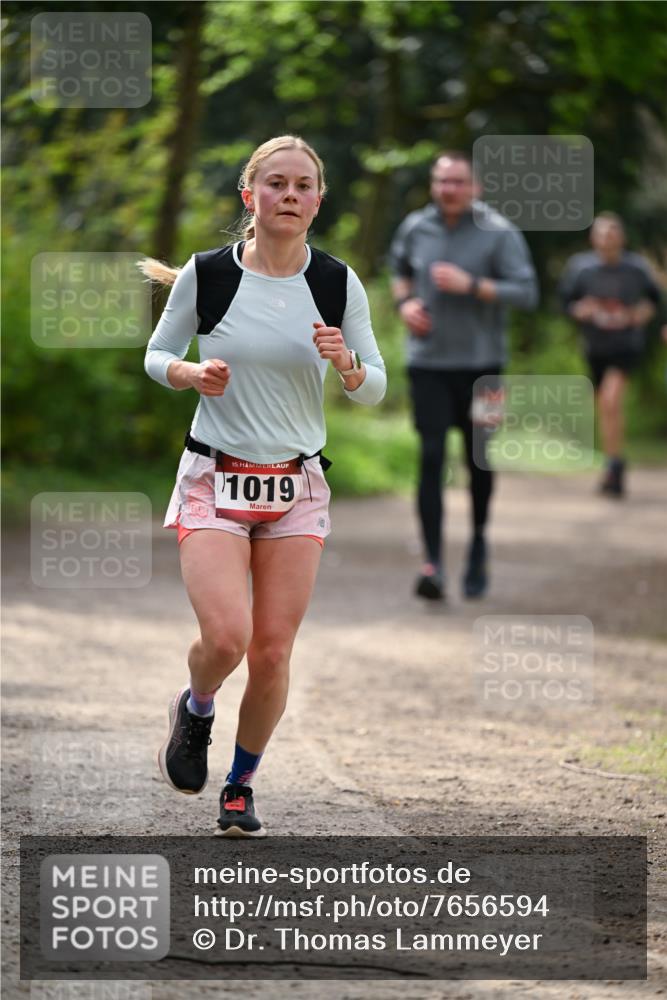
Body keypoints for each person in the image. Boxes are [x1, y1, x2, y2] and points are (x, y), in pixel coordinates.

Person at [141, 135, 386, 836]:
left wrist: (347, 367)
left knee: (272, 650)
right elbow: (158, 354)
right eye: (275, 183)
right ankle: (195, 710)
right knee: (226, 637)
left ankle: (241, 786)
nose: (289, 195)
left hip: (295, 484)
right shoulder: (208, 273)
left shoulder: (337, 283)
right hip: (213, 473)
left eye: (303, 185)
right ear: (249, 196)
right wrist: (188, 373)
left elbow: (373, 387)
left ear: (317, 200)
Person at [389, 151, 537, 601]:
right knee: (431, 455)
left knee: (479, 459)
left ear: (477, 187)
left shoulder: (500, 232)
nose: (448, 189)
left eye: (457, 182)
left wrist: (472, 285)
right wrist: (404, 305)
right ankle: (432, 563)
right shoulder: (416, 227)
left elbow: (527, 292)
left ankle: (477, 544)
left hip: (484, 367)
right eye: (441, 181)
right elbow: (399, 271)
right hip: (428, 363)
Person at [559, 212, 663, 497]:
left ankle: (614, 465)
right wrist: (582, 310)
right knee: (606, 408)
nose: (608, 238)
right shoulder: (581, 268)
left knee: (611, 399)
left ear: (622, 237)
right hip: (595, 347)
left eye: (613, 232)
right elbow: (566, 303)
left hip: (626, 345)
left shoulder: (636, 268)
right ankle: (613, 462)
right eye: (602, 233)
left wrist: (640, 314)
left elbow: (654, 301)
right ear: (593, 237)